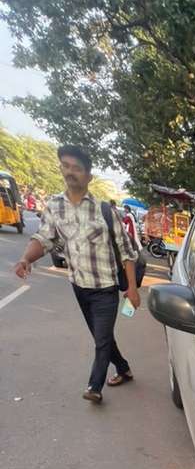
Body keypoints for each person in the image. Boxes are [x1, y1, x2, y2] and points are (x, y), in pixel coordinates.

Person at [14, 145, 140, 405]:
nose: (71, 172)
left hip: (106, 288)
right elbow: (44, 238)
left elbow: (128, 252)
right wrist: (26, 258)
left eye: (77, 169)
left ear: (88, 176)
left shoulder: (105, 210)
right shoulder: (54, 207)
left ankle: (94, 386)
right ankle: (124, 368)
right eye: (66, 166)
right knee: (101, 337)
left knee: (102, 339)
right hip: (79, 286)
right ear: (61, 168)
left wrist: (132, 288)